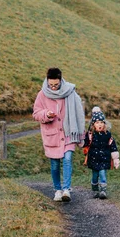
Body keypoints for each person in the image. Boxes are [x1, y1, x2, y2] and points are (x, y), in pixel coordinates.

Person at [33, 67, 85, 202]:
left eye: (56, 85)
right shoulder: (42, 94)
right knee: (55, 164)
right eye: (51, 85)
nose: (54, 88)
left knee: (68, 159)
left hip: (69, 133)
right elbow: (36, 113)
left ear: (61, 80)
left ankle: (66, 189)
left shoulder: (70, 92)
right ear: (47, 81)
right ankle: (57, 190)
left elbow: (79, 112)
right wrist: (46, 114)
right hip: (52, 135)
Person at [83, 109, 120, 199]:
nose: (99, 124)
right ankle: (95, 190)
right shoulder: (90, 134)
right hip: (93, 159)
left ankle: (103, 191)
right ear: (93, 124)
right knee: (95, 176)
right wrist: (80, 141)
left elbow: (113, 147)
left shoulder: (108, 135)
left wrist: (115, 159)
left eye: (101, 122)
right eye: (97, 122)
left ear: (104, 124)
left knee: (103, 174)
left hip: (104, 159)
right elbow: (85, 143)